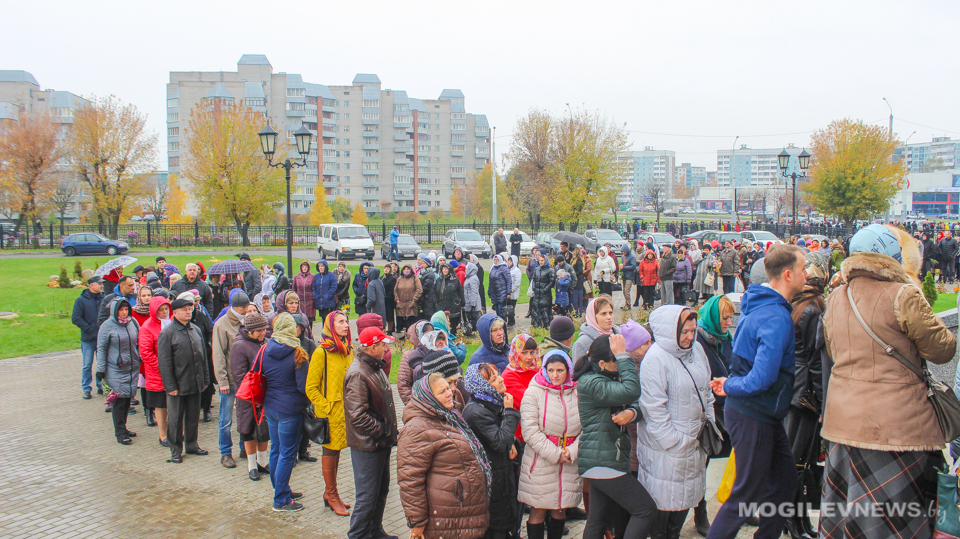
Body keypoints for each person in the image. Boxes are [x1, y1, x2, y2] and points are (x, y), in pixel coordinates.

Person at [820, 225, 956, 538]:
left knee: (851, 516)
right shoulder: (904, 293)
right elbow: (943, 349)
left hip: (844, 425)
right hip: (897, 428)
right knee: (893, 521)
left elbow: (833, 350)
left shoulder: (836, 297)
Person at [706, 244, 807, 539]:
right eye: (803, 270)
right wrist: (730, 386)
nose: (807, 274)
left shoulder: (762, 305)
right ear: (788, 274)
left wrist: (732, 385)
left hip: (760, 412)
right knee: (746, 495)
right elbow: (762, 377)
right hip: (754, 412)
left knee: (785, 479)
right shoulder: (775, 316)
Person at [636, 306, 713, 539]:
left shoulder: (697, 350)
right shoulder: (656, 359)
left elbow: (706, 390)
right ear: (671, 331)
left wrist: (709, 421)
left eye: (693, 331)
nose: (690, 337)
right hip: (667, 450)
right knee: (664, 506)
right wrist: (676, 442)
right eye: (685, 332)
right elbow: (653, 408)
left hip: (694, 442)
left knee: (685, 500)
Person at [573, 334, 657, 539]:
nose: (620, 365)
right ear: (602, 363)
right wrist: (623, 355)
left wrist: (632, 413)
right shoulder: (591, 382)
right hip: (604, 459)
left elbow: (636, 400)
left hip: (606, 458)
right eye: (617, 361)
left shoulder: (604, 376)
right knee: (645, 510)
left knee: (597, 520)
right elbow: (631, 390)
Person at [397, 373, 491, 539]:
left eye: (448, 388)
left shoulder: (449, 416)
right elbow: (410, 480)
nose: (450, 393)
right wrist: (417, 522)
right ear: (428, 397)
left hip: (463, 514)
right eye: (442, 392)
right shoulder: (417, 429)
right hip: (447, 519)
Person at [782, 252, 829, 539]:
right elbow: (815, 360)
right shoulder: (813, 307)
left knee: (798, 461)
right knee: (799, 463)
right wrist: (824, 401)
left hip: (794, 388)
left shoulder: (797, 304)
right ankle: (793, 522)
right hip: (806, 392)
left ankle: (797, 522)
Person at [517, 348, 581, 539]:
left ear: (568, 370)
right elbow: (530, 430)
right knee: (539, 508)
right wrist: (555, 453)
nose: (555, 375)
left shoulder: (576, 392)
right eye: (551, 370)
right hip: (541, 460)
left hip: (568, 460)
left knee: (560, 508)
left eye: (560, 371)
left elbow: (586, 427)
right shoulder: (534, 393)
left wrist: (572, 451)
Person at [344, 326, 398, 539]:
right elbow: (357, 416)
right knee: (367, 496)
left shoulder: (373, 366)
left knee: (380, 491)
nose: (386, 347)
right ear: (372, 347)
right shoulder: (358, 373)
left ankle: (374, 531)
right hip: (368, 446)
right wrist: (383, 430)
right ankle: (357, 534)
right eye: (383, 344)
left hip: (380, 443)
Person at [463, 363, 521, 539]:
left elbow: (503, 437)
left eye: (498, 375)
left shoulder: (492, 402)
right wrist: (510, 412)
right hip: (490, 481)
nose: (501, 379)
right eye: (494, 379)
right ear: (483, 386)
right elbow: (500, 442)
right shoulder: (476, 412)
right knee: (496, 527)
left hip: (501, 475)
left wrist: (512, 442)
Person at [693, 294, 735, 536]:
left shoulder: (725, 338)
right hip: (711, 411)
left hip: (730, 408)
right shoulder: (699, 341)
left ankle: (739, 506)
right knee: (703, 463)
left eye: (730, 318)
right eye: (725, 318)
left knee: (739, 462)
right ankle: (700, 512)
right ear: (712, 318)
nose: (729, 322)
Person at [305, 310, 354, 516]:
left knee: (337, 453)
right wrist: (325, 407)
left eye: (347, 321)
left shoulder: (348, 350)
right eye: (340, 322)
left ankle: (330, 492)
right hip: (330, 414)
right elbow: (311, 387)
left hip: (346, 413)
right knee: (330, 452)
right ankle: (331, 494)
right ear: (330, 326)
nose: (346, 325)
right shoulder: (321, 352)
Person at [261, 312, 310, 512]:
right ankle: (280, 499)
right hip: (290, 409)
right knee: (287, 454)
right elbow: (302, 387)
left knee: (276, 450)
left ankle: (281, 489)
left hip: (271, 406)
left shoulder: (266, 348)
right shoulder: (298, 353)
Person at [157, 296, 210, 463]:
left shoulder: (196, 330)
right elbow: (164, 363)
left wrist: (205, 378)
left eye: (190, 309)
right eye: (184, 310)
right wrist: (170, 385)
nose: (188, 312)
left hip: (195, 381)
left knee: (193, 415)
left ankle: (192, 444)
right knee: (175, 418)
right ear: (175, 313)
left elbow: (203, 358)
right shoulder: (167, 333)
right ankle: (175, 449)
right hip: (178, 384)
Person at [229, 311, 271, 481]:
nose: (263, 333)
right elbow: (239, 376)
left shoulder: (267, 343)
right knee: (248, 430)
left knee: (263, 430)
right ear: (250, 330)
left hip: (266, 395)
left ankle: (262, 461)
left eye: (264, 329)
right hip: (249, 397)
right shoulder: (239, 346)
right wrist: (256, 392)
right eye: (259, 330)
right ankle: (252, 464)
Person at [211, 290, 249, 469]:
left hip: (244, 381)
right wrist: (222, 381)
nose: (246, 311)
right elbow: (218, 355)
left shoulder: (246, 321)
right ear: (235, 308)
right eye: (243, 308)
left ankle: (244, 447)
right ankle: (225, 452)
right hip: (229, 381)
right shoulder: (222, 325)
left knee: (244, 416)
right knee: (226, 419)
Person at [96, 298, 141, 445]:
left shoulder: (132, 323)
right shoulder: (107, 326)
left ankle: (124, 428)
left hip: (131, 367)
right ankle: (120, 432)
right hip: (115, 368)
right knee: (119, 401)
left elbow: (139, 340)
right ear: (115, 311)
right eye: (121, 310)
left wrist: (139, 357)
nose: (123, 312)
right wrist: (100, 369)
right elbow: (101, 348)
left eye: (126, 309)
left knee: (127, 398)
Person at [139, 297, 172, 447]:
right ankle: (163, 434)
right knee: (161, 405)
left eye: (166, 309)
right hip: (157, 373)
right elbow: (146, 353)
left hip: (173, 370)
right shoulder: (147, 327)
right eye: (161, 310)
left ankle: (177, 432)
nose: (165, 312)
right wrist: (163, 366)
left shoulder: (171, 322)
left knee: (174, 403)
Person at [73, 275, 105, 399]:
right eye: (99, 284)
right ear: (91, 285)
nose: (102, 286)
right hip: (88, 339)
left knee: (101, 363)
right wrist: (90, 329)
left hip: (101, 338)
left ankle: (101, 385)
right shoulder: (81, 300)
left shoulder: (103, 298)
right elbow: (76, 318)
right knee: (87, 364)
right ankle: (86, 388)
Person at [571, 295, 619, 363]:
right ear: (592, 317)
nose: (609, 317)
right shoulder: (582, 343)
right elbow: (578, 371)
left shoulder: (620, 337)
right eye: (603, 314)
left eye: (610, 313)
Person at [397, 320, 434, 405]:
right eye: (426, 335)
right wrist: (414, 405)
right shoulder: (408, 356)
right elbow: (404, 385)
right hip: (418, 404)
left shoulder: (437, 350)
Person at [436, 263, 465, 331]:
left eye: (446, 269)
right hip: (441, 304)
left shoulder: (455, 280)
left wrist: (462, 302)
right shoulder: (439, 280)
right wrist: (436, 302)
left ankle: (453, 335)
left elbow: (460, 291)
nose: (445, 271)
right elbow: (434, 291)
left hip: (453, 305)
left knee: (453, 323)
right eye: (443, 269)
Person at [530, 250, 556, 328]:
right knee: (536, 310)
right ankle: (536, 325)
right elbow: (534, 279)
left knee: (544, 311)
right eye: (540, 260)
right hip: (537, 294)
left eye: (542, 260)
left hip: (545, 295)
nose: (541, 262)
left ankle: (546, 326)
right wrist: (534, 288)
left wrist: (544, 290)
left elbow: (551, 282)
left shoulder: (550, 270)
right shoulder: (537, 269)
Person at [394, 264, 422, 333]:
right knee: (400, 325)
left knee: (410, 324)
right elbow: (395, 290)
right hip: (401, 305)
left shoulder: (415, 279)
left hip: (411, 305)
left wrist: (414, 300)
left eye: (408, 269)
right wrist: (397, 300)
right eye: (405, 269)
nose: (406, 271)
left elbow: (419, 290)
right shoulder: (399, 279)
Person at [312, 260, 337, 327]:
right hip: (320, 302)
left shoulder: (331, 275)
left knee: (329, 320)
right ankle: (325, 335)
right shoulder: (317, 276)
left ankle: (330, 335)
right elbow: (314, 287)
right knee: (323, 319)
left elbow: (333, 287)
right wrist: (315, 296)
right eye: (319, 266)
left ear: (325, 267)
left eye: (322, 266)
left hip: (328, 302)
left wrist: (328, 296)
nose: (320, 268)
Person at [488, 254, 511, 319]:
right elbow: (490, 281)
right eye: (494, 260)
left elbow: (509, 280)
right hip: (494, 293)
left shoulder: (504, 268)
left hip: (502, 293)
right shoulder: (493, 268)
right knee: (497, 311)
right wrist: (489, 292)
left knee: (501, 310)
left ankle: (503, 325)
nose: (495, 261)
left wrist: (508, 292)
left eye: (497, 260)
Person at [381, 263, 398, 333]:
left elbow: (392, 289)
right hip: (382, 300)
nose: (386, 269)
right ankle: (383, 328)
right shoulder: (381, 278)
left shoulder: (393, 278)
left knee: (390, 315)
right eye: (385, 268)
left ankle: (390, 330)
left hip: (389, 300)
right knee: (383, 315)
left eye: (388, 268)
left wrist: (386, 296)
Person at [620, 246, 638, 311]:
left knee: (627, 291)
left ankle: (629, 304)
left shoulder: (632, 257)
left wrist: (624, 267)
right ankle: (626, 304)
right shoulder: (623, 257)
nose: (623, 253)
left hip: (630, 276)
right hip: (624, 276)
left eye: (624, 252)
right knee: (624, 291)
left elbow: (633, 266)